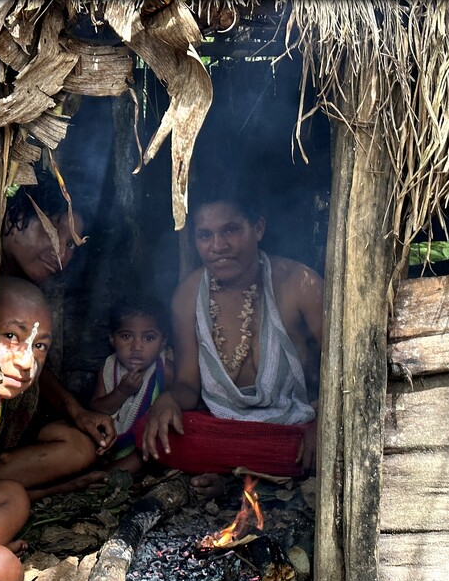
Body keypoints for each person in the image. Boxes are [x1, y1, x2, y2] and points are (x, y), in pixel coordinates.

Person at [138, 200, 323, 497]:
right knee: (152, 432)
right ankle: (249, 476)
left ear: (258, 228)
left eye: (231, 230)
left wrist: (324, 423)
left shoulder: (299, 283)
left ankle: (233, 475)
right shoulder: (188, 294)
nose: (217, 245)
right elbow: (188, 383)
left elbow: (344, 372)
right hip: (224, 428)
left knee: (323, 447)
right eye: (204, 235)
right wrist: (169, 399)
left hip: (291, 428)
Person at [0, 176, 116, 496]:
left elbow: (25, 364)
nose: (61, 251)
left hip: (3, 433)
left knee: (79, 448)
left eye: (72, 244)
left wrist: (77, 412)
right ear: (15, 216)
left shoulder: (26, 290)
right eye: (52, 230)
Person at [0, 276, 54, 581]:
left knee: (14, 495)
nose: (27, 362)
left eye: (39, 345)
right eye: (10, 336)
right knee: (3, 572)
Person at [88, 294, 174, 474]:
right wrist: (121, 392)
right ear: (112, 339)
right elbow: (97, 408)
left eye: (149, 338)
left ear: (163, 342)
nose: (137, 347)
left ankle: (104, 477)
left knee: (145, 452)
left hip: (144, 448)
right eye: (126, 336)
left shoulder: (164, 370)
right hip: (109, 446)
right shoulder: (109, 367)